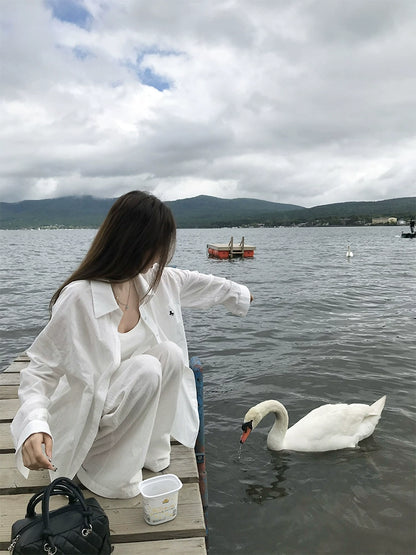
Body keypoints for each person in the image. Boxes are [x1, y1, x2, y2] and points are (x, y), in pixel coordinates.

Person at [11, 191, 252, 498]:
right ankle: (108, 475)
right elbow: (39, 371)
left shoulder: (148, 280)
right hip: (88, 427)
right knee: (148, 368)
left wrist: (239, 294)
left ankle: (151, 454)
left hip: (124, 412)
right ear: (131, 243)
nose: (159, 257)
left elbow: (198, 283)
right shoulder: (80, 297)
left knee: (170, 354)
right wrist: (34, 424)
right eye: (155, 247)